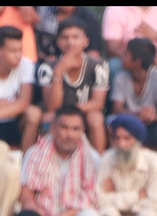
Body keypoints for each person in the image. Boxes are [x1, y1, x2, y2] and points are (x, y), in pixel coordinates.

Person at [19, 105, 104, 216]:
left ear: (82, 130)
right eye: (64, 128)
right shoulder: (35, 153)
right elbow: (26, 194)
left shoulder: (92, 158)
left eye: (75, 129)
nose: (70, 135)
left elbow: (92, 199)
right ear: (53, 128)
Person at [97, 114, 157, 216]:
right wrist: (135, 196)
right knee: (108, 212)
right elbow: (98, 199)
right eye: (117, 138)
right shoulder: (108, 158)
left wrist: (115, 197)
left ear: (137, 140)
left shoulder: (154, 161)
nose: (121, 144)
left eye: (127, 138)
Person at [101, 6, 157, 112]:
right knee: (113, 66)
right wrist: (147, 57)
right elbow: (112, 48)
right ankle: (112, 115)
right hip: (132, 62)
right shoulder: (115, 9)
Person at [41, 16, 109, 152]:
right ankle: (45, 159)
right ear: (58, 42)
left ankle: (98, 162)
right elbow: (52, 107)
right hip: (58, 113)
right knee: (48, 118)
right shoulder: (47, 67)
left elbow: (97, 103)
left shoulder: (98, 65)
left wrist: (72, 110)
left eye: (75, 37)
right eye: (64, 37)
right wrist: (58, 72)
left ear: (86, 41)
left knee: (96, 118)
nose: (70, 42)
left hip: (85, 112)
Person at [108, 36, 157, 148]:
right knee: (110, 120)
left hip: (152, 126)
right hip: (129, 126)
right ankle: (118, 151)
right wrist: (137, 114)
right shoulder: (120, 77)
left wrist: (153, 117)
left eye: (126, 54)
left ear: (137, 62)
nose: (122, 57)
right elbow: (117, 109)